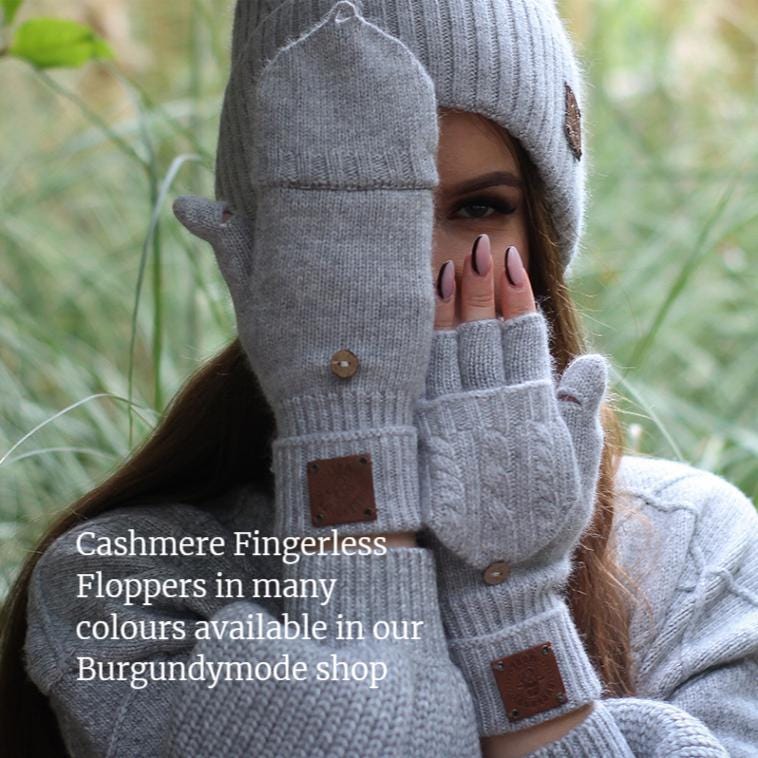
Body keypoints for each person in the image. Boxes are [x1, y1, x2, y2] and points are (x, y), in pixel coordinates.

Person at [1, 1, 756, 756]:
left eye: (479, 207)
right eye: (347, 218)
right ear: (254, 250)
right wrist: (348, 439)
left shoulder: (693, 550)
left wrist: (508, 603)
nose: (412, 273)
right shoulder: (126, 582)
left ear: (541, 238)